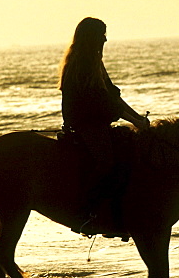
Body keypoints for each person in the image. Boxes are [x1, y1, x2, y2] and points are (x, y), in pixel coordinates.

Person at [58, 17, 148, 233]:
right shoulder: (83, 63)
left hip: (96, 122)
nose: (105, 39)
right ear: (92, 38)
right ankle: (85, 212)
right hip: (86, 124)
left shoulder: (93, 61)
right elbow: (101, 101)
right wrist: (133, 120)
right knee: (106, 162)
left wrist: (138, 119)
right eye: (101, 35)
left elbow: (113, 97)